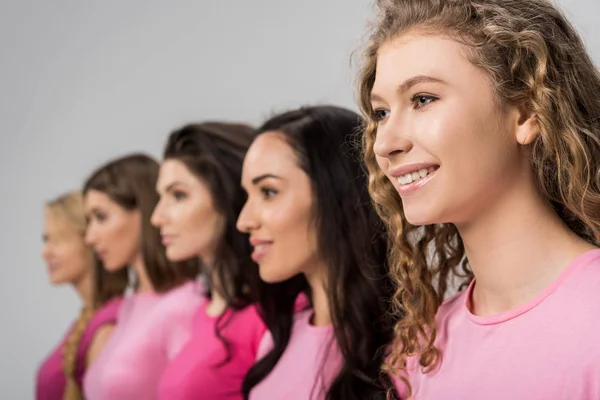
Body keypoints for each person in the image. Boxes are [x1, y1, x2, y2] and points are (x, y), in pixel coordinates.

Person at [357, 0, 600, 398]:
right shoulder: (422, 349)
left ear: (526, 112)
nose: (385, 143)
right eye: (381, 112)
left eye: (422, 99)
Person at [238, 105, 398, 400]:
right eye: (247, 195)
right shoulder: (276, 343)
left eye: (269, 192)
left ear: (335, 195)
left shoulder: (411, 353)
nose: (244, 221)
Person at [152, 122, 266, 400]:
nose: (157, 217)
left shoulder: (267, 318)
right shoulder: (202, 312)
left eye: (178, 195)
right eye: (161, 196)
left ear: (228, 198)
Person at [81, 154, 201, 400]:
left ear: (143, 211)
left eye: (101, 217)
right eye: (88, 221)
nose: (90, 237)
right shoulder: (128, 308)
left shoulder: (187, 304)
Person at [36, 190, 125, 400]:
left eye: (57, 240)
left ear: (90, 240)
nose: (45, 252)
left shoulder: (109, 325)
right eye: (45, 240)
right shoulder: (86, 320)